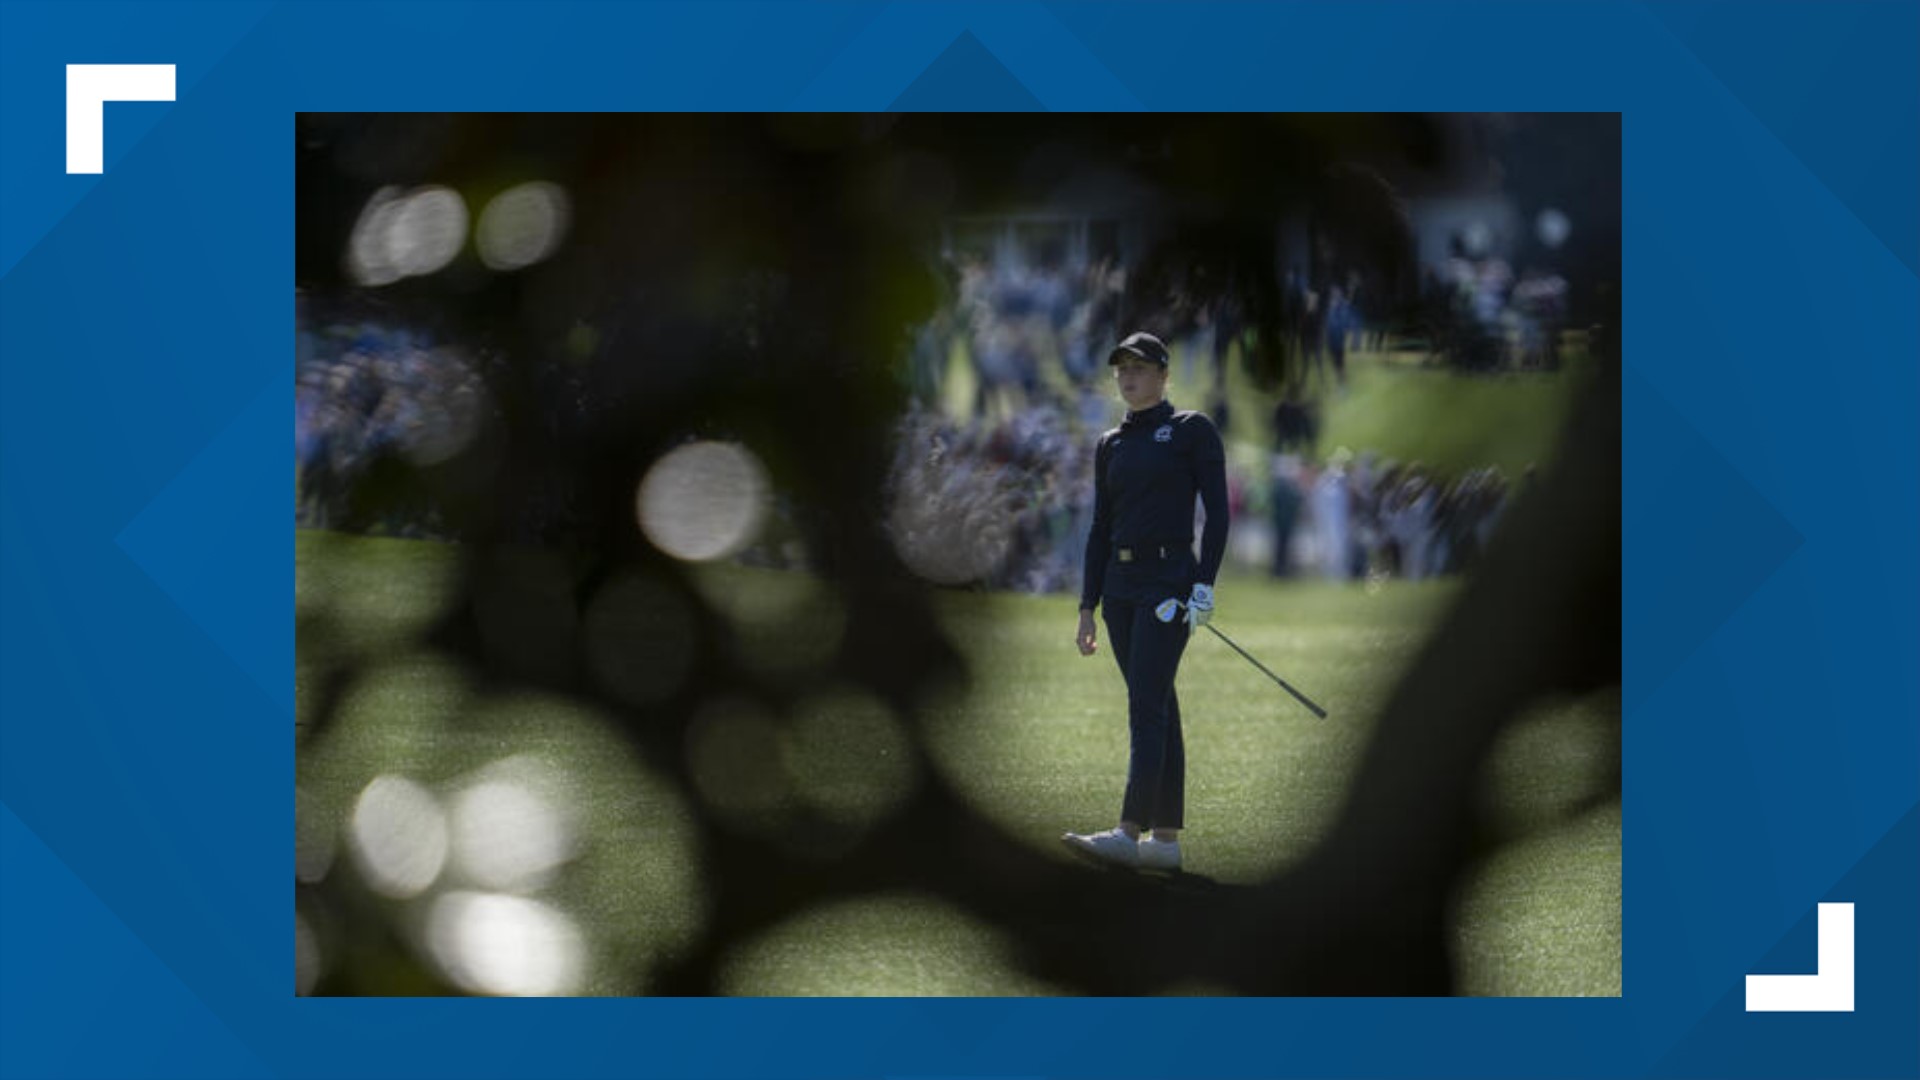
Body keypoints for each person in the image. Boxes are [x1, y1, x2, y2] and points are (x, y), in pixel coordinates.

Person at [1064, 331, 1230, 872]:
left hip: (1168, 582)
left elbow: (1218, 513)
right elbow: (1099, 527)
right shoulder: (1110, 442)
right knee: (1157, 700)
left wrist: (1204, 582)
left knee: (1145, 706)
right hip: (1119, 588)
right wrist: (1088, 605)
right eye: (1121, 369)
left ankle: (1127, 832)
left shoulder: (1191, 431)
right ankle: (1164, 840)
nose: (1127, 377)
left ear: (1163, 374)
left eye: (1138, 367)